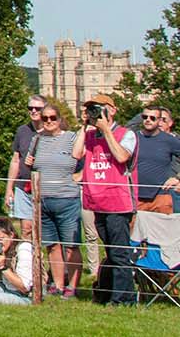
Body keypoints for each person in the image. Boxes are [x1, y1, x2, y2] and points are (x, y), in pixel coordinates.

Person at [70, 94, 138, 305]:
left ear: (112, 110)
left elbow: (121, 156)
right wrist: (84, 127)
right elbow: (76, 153)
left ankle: (123, 299)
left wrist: (106, 130)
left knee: (119, 254)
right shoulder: (90, 136)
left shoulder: (126, 134)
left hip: (119, 203)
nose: (95, 114)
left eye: (99, 109)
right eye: (91, 110)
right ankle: (111, 294)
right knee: (110, 252)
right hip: (97, 202)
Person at [25, 105, 81, 297]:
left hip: (67, 198)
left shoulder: (71, 138)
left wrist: (77, 178)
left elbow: (84, 160)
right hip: (43, 199)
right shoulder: (37, 139)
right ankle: (58, 285)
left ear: (60, 118)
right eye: (45, 118)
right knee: (52, 245)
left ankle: (72, 287)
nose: (49, 121)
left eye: (53, 118)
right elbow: (31, 165)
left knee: (71, 245)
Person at [5, 94, 47, 242]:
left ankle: (47, 264)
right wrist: (9, 188)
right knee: (26, 229)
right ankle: (28, 262)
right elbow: (16, 160)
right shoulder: (22, 131)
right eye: (31, 108)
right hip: (23, 187)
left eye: (38, 108)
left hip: (45, 188)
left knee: (45, 231)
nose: (34, 111)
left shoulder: (52, 131)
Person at [134, 103, 180, 214]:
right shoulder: (133, 137)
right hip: (136, 196)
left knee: (164, 231)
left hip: (162, 196)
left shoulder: (169, 140)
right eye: (145, 117)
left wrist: (177, 178)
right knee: (135, 231)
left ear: (159, 120)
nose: (148, 120)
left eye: (152, 118)